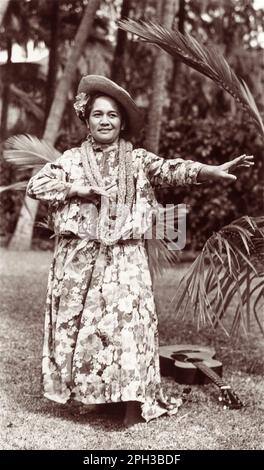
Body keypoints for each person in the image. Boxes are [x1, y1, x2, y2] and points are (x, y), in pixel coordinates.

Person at [27, 75, 254, 426]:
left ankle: (133, 406)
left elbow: (172, 169)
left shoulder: (137, 160)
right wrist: (78, 189)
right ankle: (99, 399)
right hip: (80, 263)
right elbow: (36, 184)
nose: (105, 121)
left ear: (122, 122)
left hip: (125, 259)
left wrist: (211, 170)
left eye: (113, 115)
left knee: (130, 328)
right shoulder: (70, 160)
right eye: (98, 114)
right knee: (88, 330)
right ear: (86, 119)